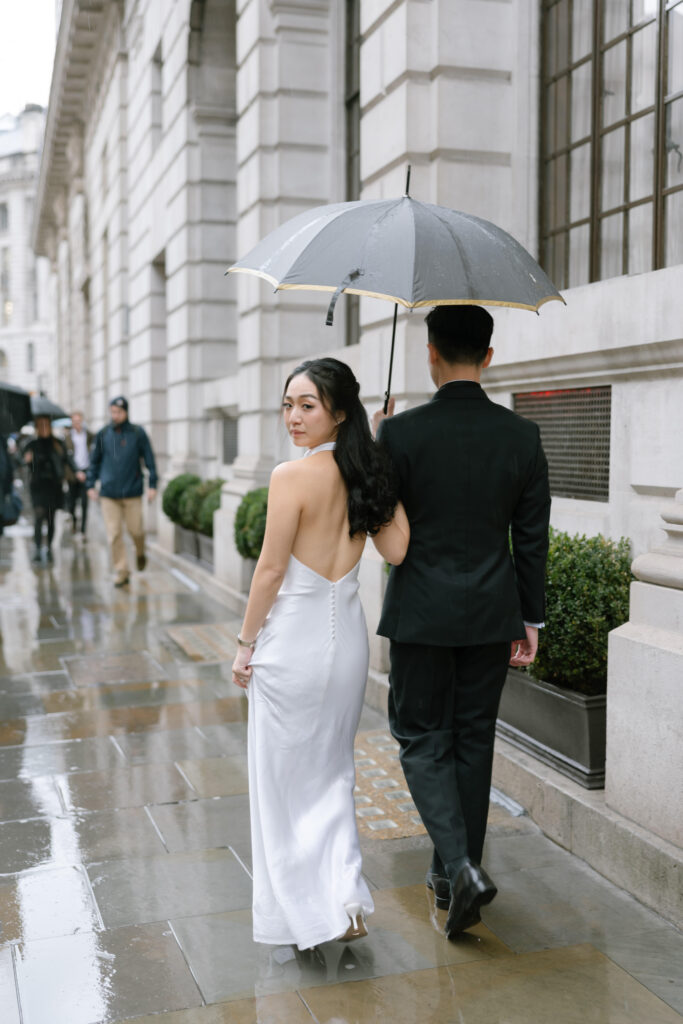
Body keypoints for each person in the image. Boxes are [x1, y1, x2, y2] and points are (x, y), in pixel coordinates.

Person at [373, 305, 551, 940]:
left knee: (422, 739)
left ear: (429, 353)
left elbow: (379, 519)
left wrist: (377, 441)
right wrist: (531, 619)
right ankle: (456, 876)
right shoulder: (522, 437)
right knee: (473, 740)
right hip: (491, 612)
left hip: (421, 613)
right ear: (489, 356)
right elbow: (532, 541)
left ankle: (459, 869)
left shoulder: (400, 434)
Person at [231, 357, 409, 950]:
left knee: (284, 786)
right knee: (333, 774)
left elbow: (271, 570)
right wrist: (380, 460)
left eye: (307, 405)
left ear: (338, 411)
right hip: (347, 646)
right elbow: (399, 548)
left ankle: (305, 914)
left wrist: (244, 644)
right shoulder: (364, 473)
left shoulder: (290, 477)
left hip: (292, 650)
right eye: (288, 404)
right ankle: (346, 903)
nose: (294, 416)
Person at [86, 396, 158, 587]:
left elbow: (149, 460)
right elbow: (94, 462)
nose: (115, 416)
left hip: (132, 492)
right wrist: (90, 484)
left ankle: (140, 552)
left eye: (118, 412)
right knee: (114, 534)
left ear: (125, 412)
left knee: (136, 530)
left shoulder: (137, 433)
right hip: (109, 494)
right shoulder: (103, 434)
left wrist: (152, 485)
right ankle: (122, 570)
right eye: (112, 412)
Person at [23, 415, 82, 563]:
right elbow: (19, 458)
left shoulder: (58, 443)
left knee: (50, 518)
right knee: (38, 517)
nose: (44, 428)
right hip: (37, 485)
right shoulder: (31, 444)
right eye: (40, 425)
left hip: (54, 486)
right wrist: (27, 460)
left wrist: (77, 471)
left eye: (46, 425)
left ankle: (48, 548)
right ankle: (37, 549)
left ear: (50, 426)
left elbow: (68, 460)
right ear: (37, 427)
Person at [63, 411, 95, 536]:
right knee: (71, 502)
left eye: (79, 421)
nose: (77, 424)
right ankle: (74, 521)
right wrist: (76, 471)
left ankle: (83, 530)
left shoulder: (89, 436)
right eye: (75, 421)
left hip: (86, 471)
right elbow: (67, 457)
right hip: (72, 474)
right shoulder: (67, 437)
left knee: (84, 503)